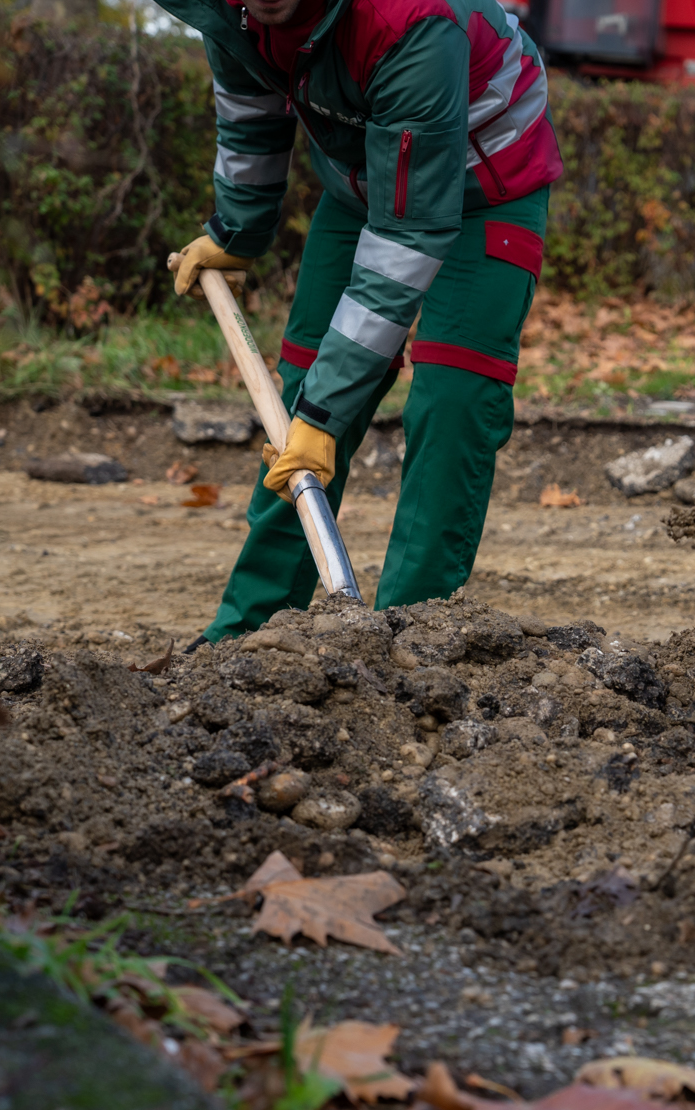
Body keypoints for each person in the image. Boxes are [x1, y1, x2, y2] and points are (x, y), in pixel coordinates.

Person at [160, 0, 560, 639]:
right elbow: (250, 115)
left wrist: (326, 414)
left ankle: (413, 641)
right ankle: (246, 638)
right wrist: (238, 229)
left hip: (488, 184)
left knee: (453, 400)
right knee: (299, 399)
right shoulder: (230, 13)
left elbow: (410, 234)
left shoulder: (411, 19)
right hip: (366, 183)